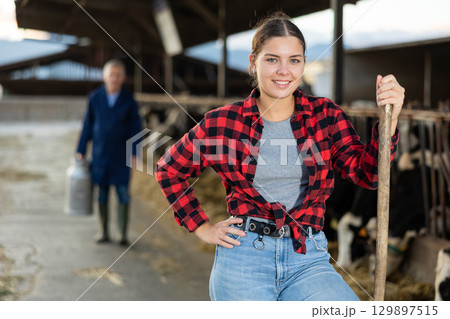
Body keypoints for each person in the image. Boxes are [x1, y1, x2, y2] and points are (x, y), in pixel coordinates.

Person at [155, 12, 405, 301]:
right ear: (253, 62)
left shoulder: (325, 116)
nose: (284, 71)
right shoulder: (223, 123)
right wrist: (201, 226)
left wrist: (391, 121)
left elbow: (370, 174)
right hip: (244, 257)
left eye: (294, 60)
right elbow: (168, 170)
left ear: (303, 64)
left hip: (308, 257)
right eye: (272, 59)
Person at [76, 59, 142, 246]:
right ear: (105, 77)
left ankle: (122, 234)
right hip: (101, 154)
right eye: (110, 75)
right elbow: (87, 125)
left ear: (123, 78)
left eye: (117, 75)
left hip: (122, 155)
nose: (114, 78)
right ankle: (103, 231)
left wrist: (135, 154)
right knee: (102, 194)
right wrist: (81, 149)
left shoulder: (129, 100)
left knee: (123, 194)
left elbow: (136, 128)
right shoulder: (95, 98)